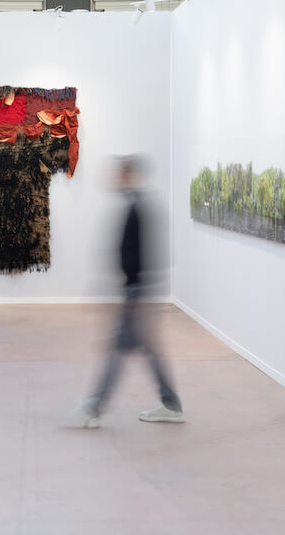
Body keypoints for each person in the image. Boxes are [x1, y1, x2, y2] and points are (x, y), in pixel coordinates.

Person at [78, 155, 184, 426]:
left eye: (120, 173)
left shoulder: (139, 208)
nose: (115, 178)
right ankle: (171, 404)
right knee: (148, 349)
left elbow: (145, 256)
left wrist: (139, 296)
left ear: (130, 175)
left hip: (137, 293)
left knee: (118, 348)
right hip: (136, 291)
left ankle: (94, 407)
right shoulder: (136, 205)